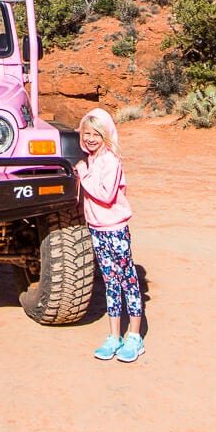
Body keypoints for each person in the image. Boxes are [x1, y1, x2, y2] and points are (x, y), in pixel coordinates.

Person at [74, 107, 145, 362]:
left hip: (114, 229)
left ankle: (134, 337)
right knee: (110, 283)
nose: (90, 138)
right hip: (97, 229)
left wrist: (82, 174)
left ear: (106, 135)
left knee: (128, 281)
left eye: (96, 133)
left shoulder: (111, 161)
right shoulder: (92, 159)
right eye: (86, 133)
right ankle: (114, 336)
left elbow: (105, 195)